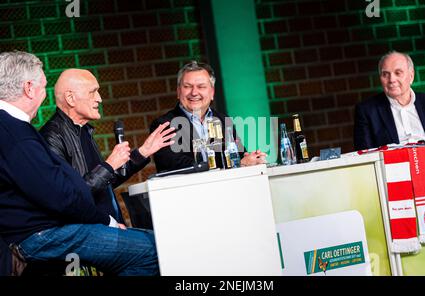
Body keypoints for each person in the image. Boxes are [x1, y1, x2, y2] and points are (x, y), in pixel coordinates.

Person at [0, 51, 159, 275]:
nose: (100, 99)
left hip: (44, 232)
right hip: (42, 235)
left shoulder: (16, 130)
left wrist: (139, 154)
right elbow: (64, 197)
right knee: (155, 248)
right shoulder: (18, 134)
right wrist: (107, 222)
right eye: (43, 86)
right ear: (28, 88)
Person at [40, 69, 175, 225]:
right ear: (70, 98)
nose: (100, 99)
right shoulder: (52, 137)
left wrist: (142, 152)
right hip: (91, 230)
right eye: (93, 92)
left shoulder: (84, 130)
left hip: (109, 225)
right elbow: (70, 197)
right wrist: (109, 165)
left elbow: (103, 183)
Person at [149, 61, 266, 172]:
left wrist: (251, 159)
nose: (194, 93)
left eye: (201, 86)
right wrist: (238, 164)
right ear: (178, 92)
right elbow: (176, 165)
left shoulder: (223, 120)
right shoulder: (164, 124)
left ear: (212, 93)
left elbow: (238, 155)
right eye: (187, 86)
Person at [354, 51, 425, 151]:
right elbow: (364, 154)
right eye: (385, 74)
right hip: (392, 165)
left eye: (398, 73)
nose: (391, 79)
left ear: (411, 76)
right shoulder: (367, 111)